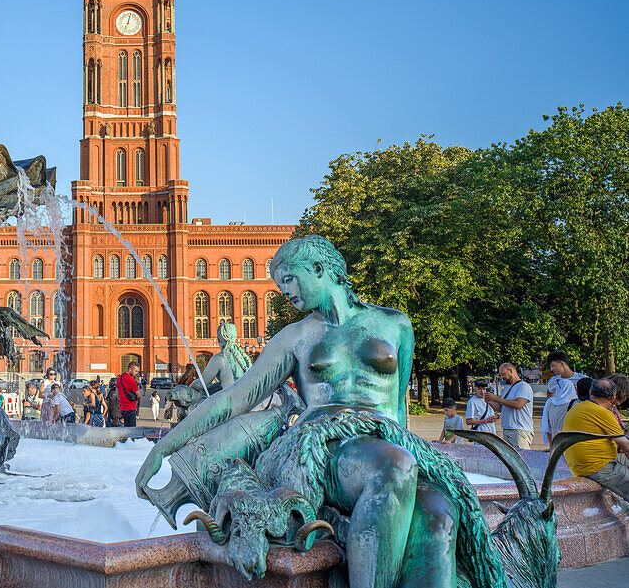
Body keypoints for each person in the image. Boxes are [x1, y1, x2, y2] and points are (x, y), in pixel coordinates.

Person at [136, 235, 499, 588]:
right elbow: (233, 399)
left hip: (388, 443)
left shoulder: (396, 324)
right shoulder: (295, 337)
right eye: (280, 285)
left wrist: (410, 452)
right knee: (394, 467)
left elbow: (397, 409)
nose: (285, 292)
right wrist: (162, 447)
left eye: (290, 279)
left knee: (439, 519)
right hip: (324, 448)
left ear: (319, 267)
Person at [562, 378, 629, 501]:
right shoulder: (603, 413)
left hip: (579, 464)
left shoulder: (576, 408)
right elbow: (626, 447)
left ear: (590, 392)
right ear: (613, 398)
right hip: (597, 467)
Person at [485, 362, 534, 450]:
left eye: (503, 374)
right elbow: (500, 408)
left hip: (519, 430)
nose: (502, 377)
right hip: (507, 429)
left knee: (520, 459)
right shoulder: (507, 389)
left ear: (510, 371)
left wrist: (496, 399)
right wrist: (490, 401)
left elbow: (518, 404)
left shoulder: (523, 386)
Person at [540, 350, 583, 444]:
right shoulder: (553, 380)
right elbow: (549, 395)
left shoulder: (581, 379)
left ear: (562, 363)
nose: (551, 369)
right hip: (558, 422)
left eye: (553, 365)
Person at [118, 361, 141, 427]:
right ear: (130, 369)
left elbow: (117, 394)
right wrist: (136, 399)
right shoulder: (131, 380)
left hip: (122, 409)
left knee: (124, 429)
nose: (136, 373)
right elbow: (138, 395)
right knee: (131, 431)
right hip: (130, 409)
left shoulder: (120, 378)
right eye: (136, 371)